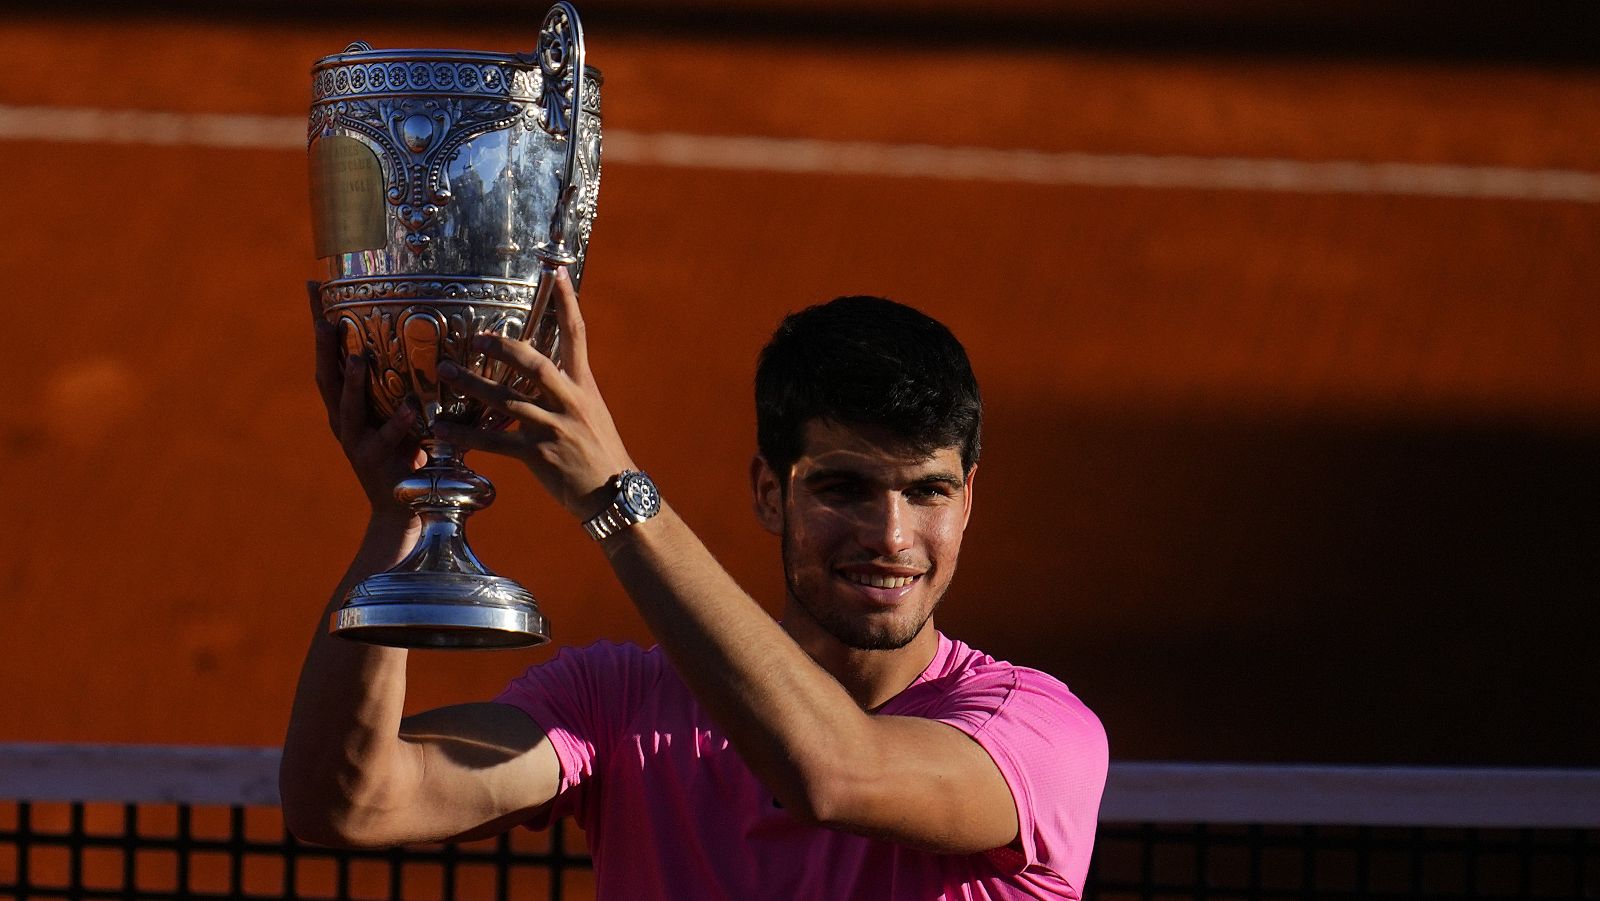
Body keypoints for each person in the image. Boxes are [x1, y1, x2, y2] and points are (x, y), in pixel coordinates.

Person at [282, 271, 1108, 899]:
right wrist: (406, 514)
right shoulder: (620, 707)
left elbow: (832, 773)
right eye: (844, 488)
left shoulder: (1039, 734)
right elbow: (348, 802)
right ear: (769, 493)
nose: (891, 537)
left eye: (927, 491)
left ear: (968, 501)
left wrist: (615, 496)